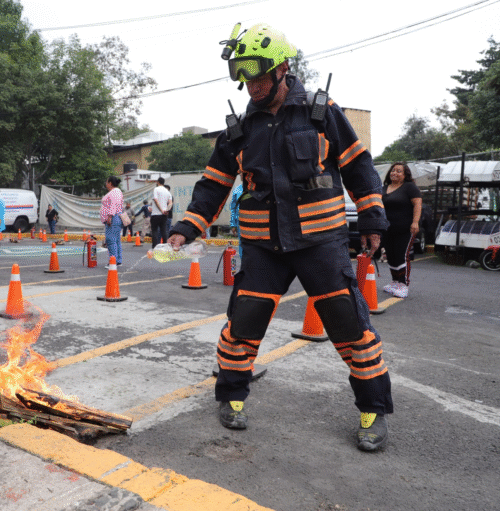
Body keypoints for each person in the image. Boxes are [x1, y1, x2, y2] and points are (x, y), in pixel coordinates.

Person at [167, 22, 392, 451]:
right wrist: (184, 229)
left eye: (258, 75)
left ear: (282, 68)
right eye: (243, 76)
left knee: (349, 325)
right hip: (262, 247)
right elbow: (213, 185)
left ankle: (373, 410)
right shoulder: (238, 131)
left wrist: (372, 218)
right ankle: (231, 397)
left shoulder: (321, 112)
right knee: (243, 324)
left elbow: (359, 166)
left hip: (321, 242)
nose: (250, 85)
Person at [381, 162, 422, 299]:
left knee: (401, 255)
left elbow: (417, 204)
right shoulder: (384, 188)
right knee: (391, 255)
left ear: (405, 175)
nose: (395, 173)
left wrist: (415, 222)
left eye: (399, 171)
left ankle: (403, 284)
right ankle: (395, 282)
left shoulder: (409, 187)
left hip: (405, 228)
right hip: (388, 229)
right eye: (393, 170)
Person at [100, 175, 124, 266]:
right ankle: (117, 260)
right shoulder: (117, 191)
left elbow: (113, 205)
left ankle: (113, 261)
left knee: (111, 240)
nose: (106, 184)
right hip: (115, 218)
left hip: (113, 218)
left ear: (110, 183)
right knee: (116, 240)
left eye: (106, 182)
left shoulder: (114, 192)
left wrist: (110, 217)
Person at [150, 177, 172, 248]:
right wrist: (166, 210)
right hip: (164, 215)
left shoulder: (156, 189)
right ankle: (165, 246)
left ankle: (154, 247)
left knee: (154, 231)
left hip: (155, 214)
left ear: (158, 182)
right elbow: (170, 203)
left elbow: (156, 200)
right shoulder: (167, 191)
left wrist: (161, 210)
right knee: (164, 231)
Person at [229, 183, 244, 258]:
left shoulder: (257, 188)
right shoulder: (237, 190)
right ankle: (243, 262)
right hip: (240, 223)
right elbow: (233, 208)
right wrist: (233, 224)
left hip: (255, 224)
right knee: (242, 244)